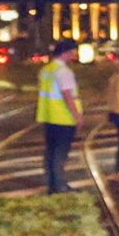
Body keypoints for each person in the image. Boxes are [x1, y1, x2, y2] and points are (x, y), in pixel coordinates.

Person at [35, 40, 82, 194]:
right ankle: (60, 186)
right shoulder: (64, 72)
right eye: (72, 53)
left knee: (51, 153)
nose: (73, 56)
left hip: (49, 117)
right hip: (63, 118)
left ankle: (52, 185)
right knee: (60, 154)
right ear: (66, 52)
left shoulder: (46, 70)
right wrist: (77, 116)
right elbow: (67, 95)